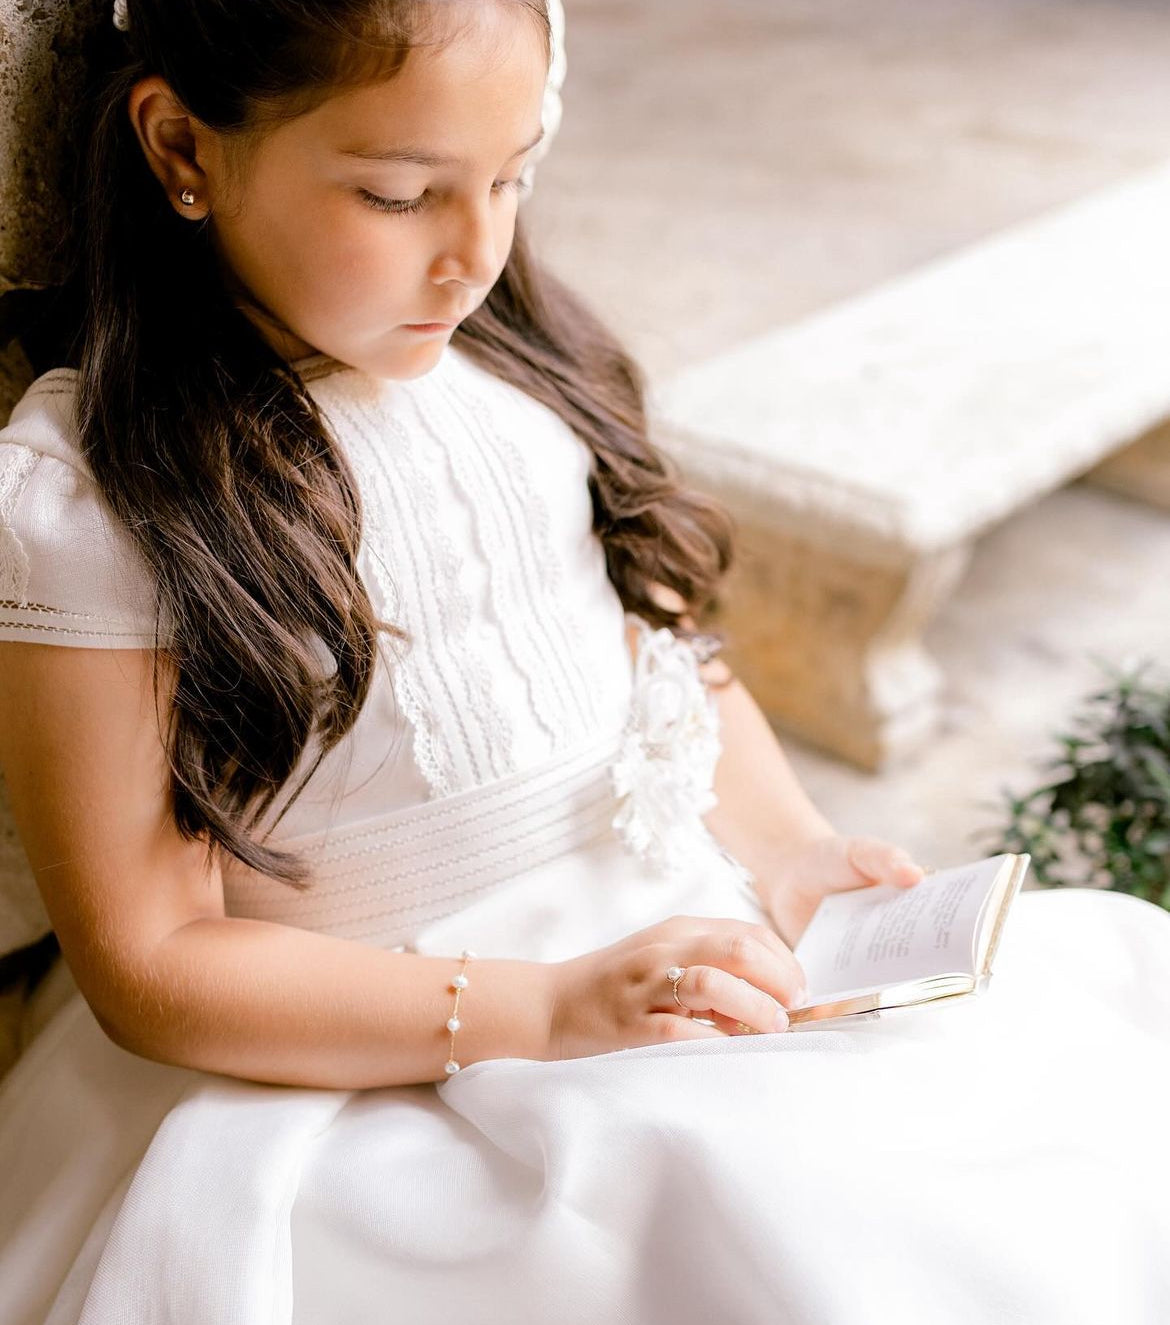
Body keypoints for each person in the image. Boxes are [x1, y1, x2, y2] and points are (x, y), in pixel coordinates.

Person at [0, 0, 1168, 1321]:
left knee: (1059, 1103)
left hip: (654, 942)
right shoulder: (93, 498)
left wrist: (785, 849)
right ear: (181, 148)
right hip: (376, 1050)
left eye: (513, 174)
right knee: (784, 1228)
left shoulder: (505, 368)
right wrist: (549, 1010)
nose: (475, 253)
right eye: (398, 195)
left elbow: (649, 660)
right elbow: (151, 959)